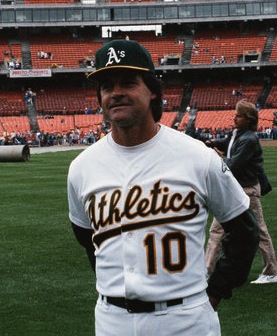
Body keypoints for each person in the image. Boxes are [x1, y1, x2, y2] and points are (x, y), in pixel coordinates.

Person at [67, 40, 259, 336]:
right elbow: (87, 239)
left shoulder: (197, 156)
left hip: (184, 320)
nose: (116, 93)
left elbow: (245, 230)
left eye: (128, 83)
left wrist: (217, 290)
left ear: (153, 89)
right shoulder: (82, 167)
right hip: (111, 321)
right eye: (107, 86)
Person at [205, 99, 277, 284]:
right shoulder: (238, 134)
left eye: (238, 115)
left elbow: (234, 165)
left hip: (246, 190)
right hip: (235, 189)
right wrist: (210, 143)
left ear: (247, 119)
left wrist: (216, 158)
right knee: (217, 230)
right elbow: (226, 143)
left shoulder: (249, 139)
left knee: (259, 232)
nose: (234, 117)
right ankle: (207, 271)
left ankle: (271, 272)